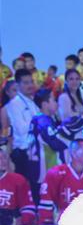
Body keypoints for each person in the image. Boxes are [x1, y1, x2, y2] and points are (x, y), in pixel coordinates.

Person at [6, 68, 40, 201]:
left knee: (35, 186)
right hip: (22, 152)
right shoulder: (14, 104)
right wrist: (38, 124)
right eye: (25, 83)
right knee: (26, 189)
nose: (30, 85)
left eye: (31, 82)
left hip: (34, 151)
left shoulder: (32, 102)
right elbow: (21, 129)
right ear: (18, 85)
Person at [30, 89, 72, 184]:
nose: (57, 103)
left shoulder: (39, 119)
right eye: (53, 100)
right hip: (45, 170)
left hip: (43, 167)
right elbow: (56, 143)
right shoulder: (43, 122)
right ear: (45, 104)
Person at [0, 146, 36, 225]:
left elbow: (27, 205)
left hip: (11, 215)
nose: (2, 161)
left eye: (4, 158)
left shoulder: (18, 180)